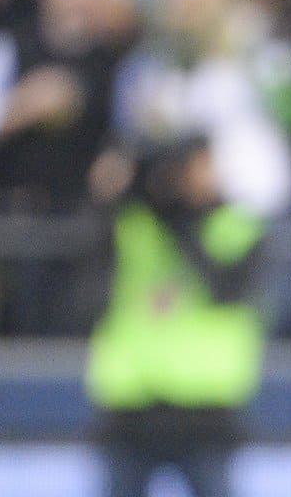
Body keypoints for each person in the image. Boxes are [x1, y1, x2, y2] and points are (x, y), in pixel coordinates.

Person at [84, 134, 266, 497]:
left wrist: (179, 215)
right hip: (131, 407)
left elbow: (224, 289)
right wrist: (106, 197)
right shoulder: (131, 221)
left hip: (206, 408)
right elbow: (82, 280)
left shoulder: (239, 226)